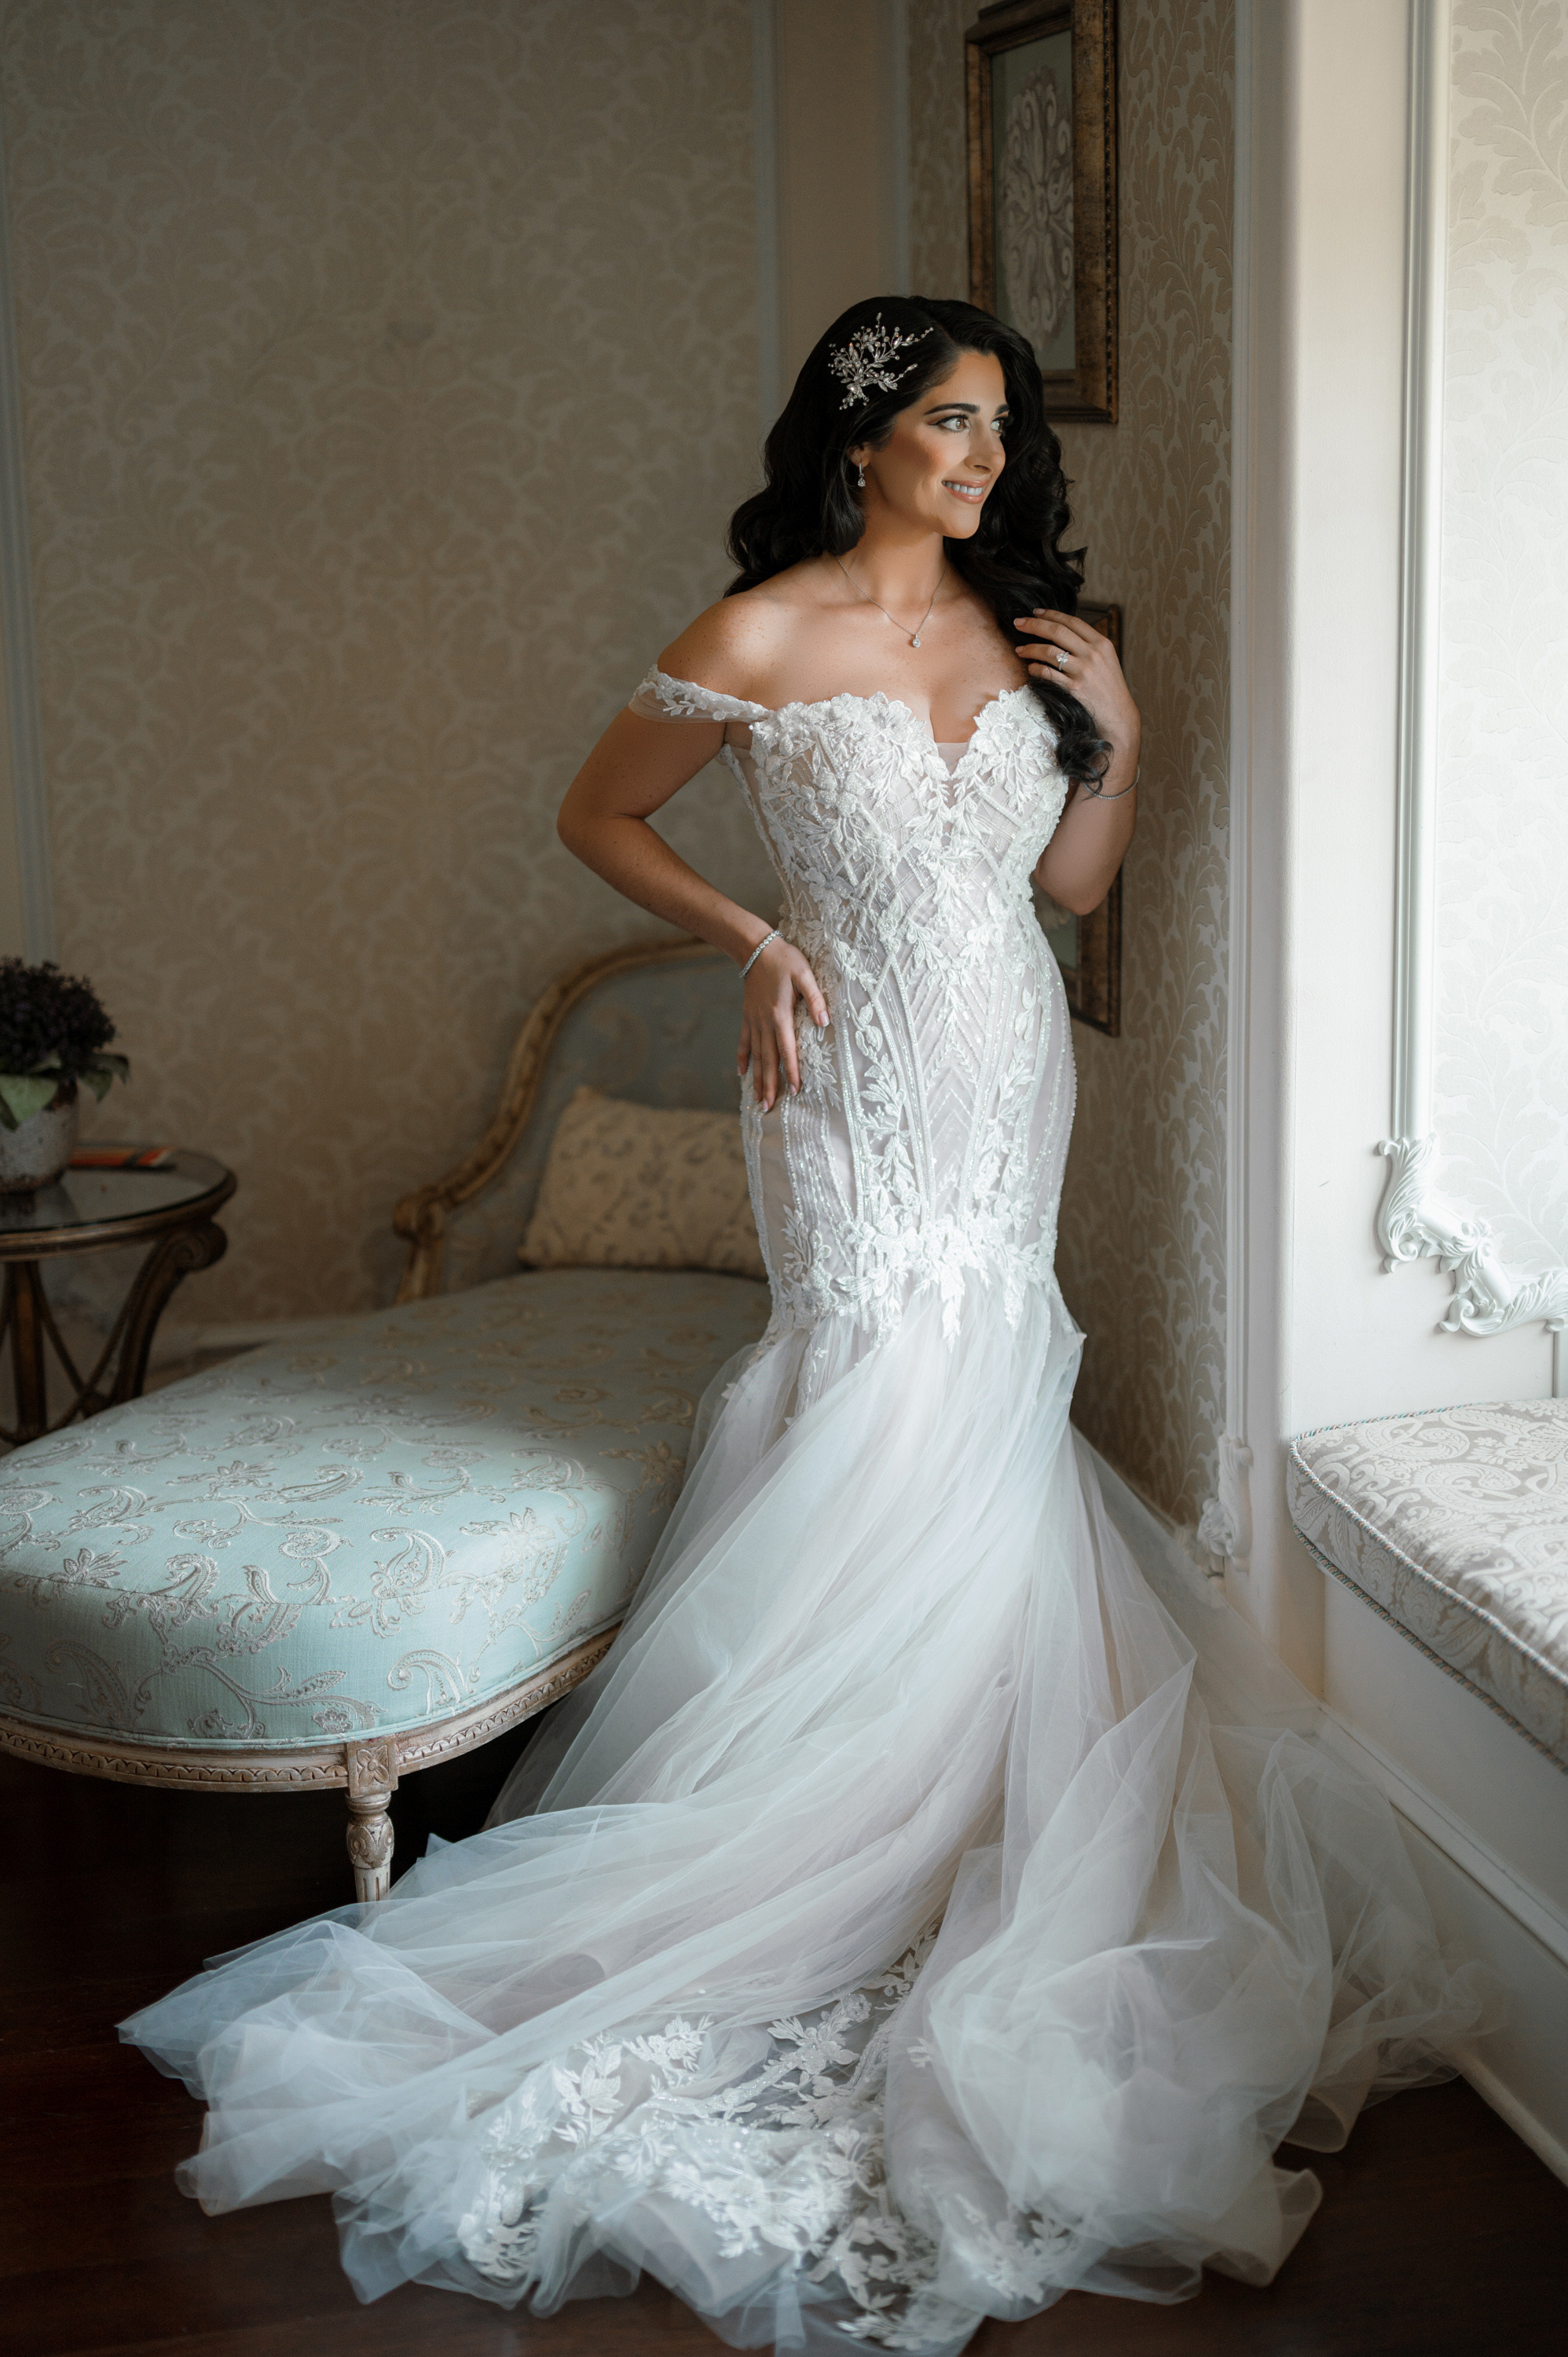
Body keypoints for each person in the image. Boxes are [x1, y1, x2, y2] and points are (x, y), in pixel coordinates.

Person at [123, 298, 1483, 2356]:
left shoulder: (1039, 636)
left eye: (1000, 431)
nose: (987, 461)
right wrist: (756, 935)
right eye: (953, 424)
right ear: (859, 438)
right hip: (837, 1079)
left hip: (1005, 1064)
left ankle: (943, 1800)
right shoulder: (757, 633)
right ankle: (813, 1810)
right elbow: (599, 815)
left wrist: (1118, 729)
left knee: (993, 1373)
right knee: (868, 1365)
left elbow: (1078, 888)